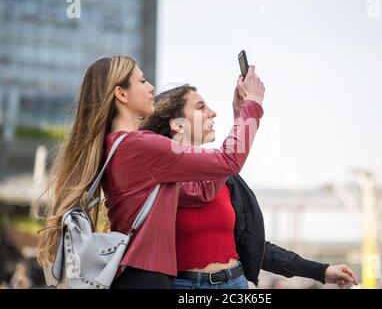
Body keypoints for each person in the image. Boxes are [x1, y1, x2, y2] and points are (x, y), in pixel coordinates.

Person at [37, 56, 265, 289]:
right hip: (146, 278)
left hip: (137, 277)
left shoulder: (118, 145)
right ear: (121, 94)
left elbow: (200, 191)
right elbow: (229, 161)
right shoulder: (140, 146)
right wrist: (253, 105)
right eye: (142, 81)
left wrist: (240, 117)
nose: (151, 88)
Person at [143, 84, 358, 289]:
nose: (213, 113)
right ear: (177, 124)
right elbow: (202, 187)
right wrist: (246, 112)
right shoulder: (158, 179)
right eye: (201, 107)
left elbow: (253, 247)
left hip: (236, 283)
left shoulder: (227, 180)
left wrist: (321, 271)